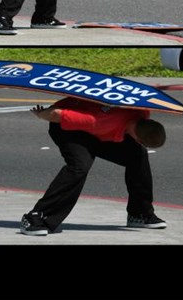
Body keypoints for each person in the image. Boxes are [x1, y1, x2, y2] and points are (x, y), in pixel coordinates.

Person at [20, 97, 167, 236]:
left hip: (104, 131)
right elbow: (57, 114)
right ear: (138, 138)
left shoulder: (142, 111)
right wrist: (41, 114)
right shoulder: (97, 121)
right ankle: (36, 217)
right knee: (79, 167)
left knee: (137, 155)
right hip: (71, 130)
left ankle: (139, 214)